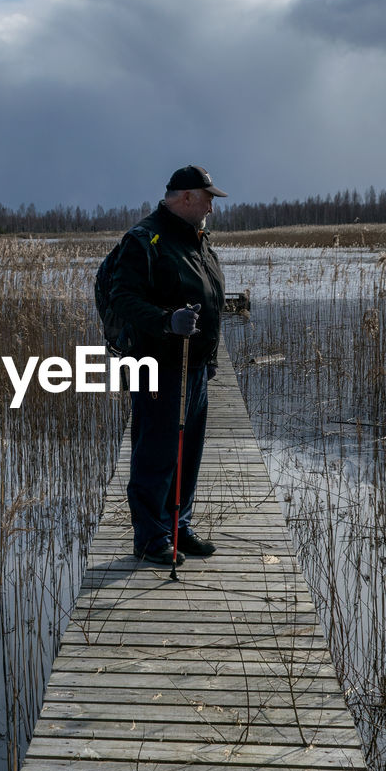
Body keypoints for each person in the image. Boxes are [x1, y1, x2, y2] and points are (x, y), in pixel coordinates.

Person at [109, 165, 228, 566]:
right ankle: (150, 537)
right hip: (158, 365)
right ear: (186, 197)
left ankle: (179, 527)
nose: (212, 203)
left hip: (194, 366)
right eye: (207, 196)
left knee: (188, 451)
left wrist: (209, 358)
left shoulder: (197, 241)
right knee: (157, 452)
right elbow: (123, 297)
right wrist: (167, 321)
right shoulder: (145, 239)